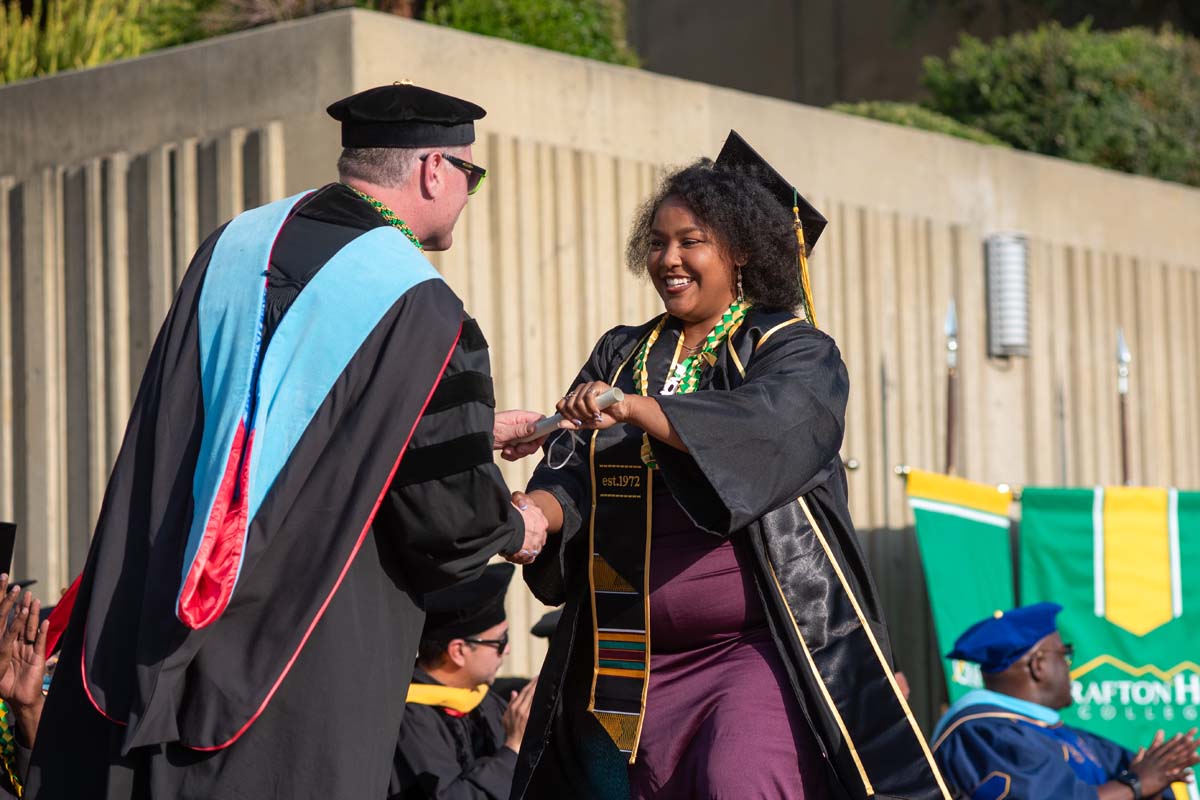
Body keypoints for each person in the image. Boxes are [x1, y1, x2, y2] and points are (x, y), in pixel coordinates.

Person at [26, 83, 550, 800]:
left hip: (148, 626)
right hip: (295, 671)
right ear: (434, 170)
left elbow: (252, 418)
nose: (467, 192)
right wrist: (516, 524)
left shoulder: (232, 250)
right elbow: (447, 522)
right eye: (470, 174)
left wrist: (466, 430)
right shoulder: (421, 308)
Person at [511, 132, 948, 799]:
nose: (670, 259)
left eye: (692, 241)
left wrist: (635, 409)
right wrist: (533, 517)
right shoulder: (622, 351)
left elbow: (769, 430)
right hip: (632, 655)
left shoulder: (794, 350)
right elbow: (571, 465)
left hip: (757, 646)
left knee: (736, 779)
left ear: (740, 251)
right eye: (657, 242)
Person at [932, 602, 1199, 799]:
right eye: (1064, 653)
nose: (1069, 665)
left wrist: (1153, 786)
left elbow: (1144, 779)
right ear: (1038, 665)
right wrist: (1136, 783)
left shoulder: (1061, 732)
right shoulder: (982, 733)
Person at [391, 563, 534, 799]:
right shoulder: (408, 718)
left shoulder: (485, 701)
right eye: (500, 641)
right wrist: (513, 749)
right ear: (458, 651)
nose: (507, 650)